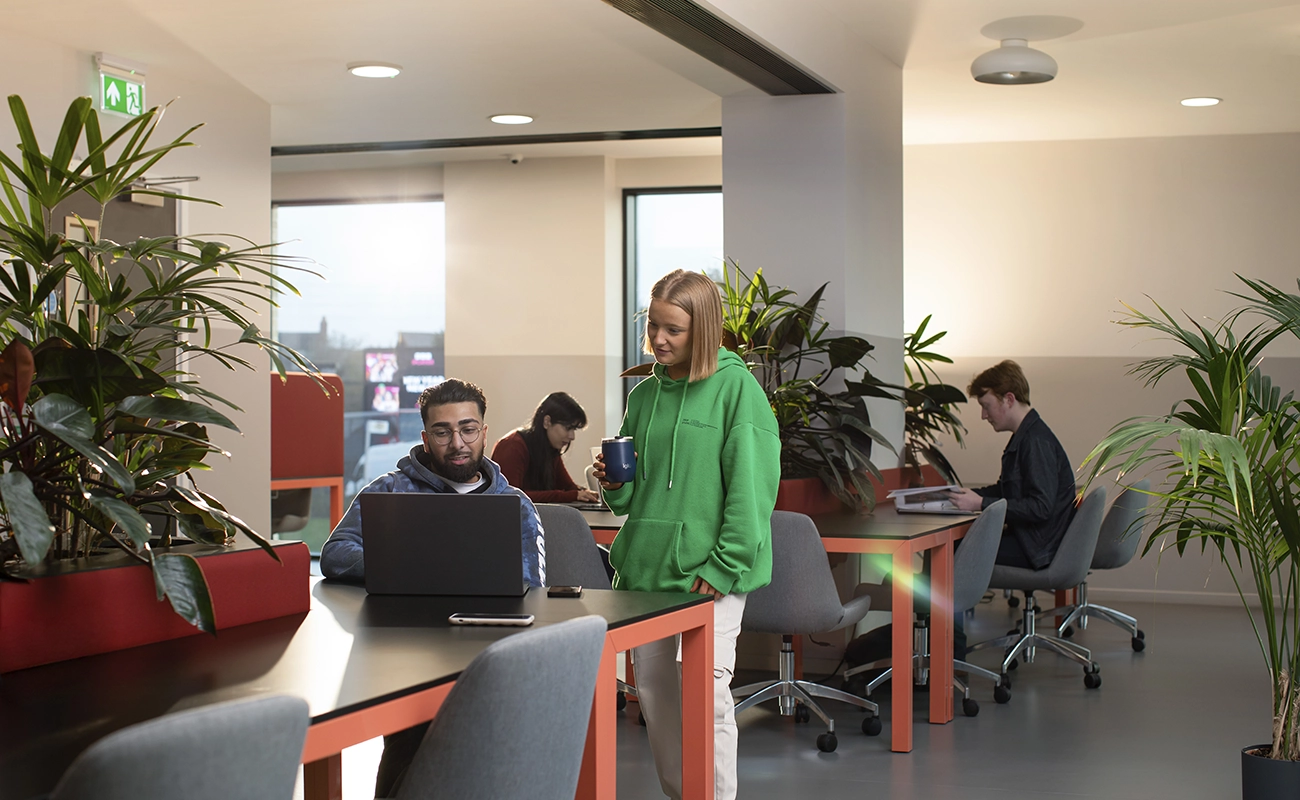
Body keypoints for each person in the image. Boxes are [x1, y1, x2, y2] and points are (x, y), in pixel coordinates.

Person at [593, 269, 780, 800]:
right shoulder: (645, 395)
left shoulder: (736, 389)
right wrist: (614, 483)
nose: (658, 339)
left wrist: (724, 567)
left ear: (704, 329)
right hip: (647, 571)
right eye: (653, 326)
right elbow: (631, 498)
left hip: (711, 575)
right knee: (656, 697)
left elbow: (752, 490)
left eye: (672, 329)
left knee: (708, 699)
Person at [320, 377, 546, 798]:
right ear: (426, 438)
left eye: (467, 428)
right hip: (407, 652)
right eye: (443, 432)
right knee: (409, 752)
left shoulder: (514, 505)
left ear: (483, 431)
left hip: (487, 651)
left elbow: (531, 584)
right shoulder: (390, 490)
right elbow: (336, 553)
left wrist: (432, 570)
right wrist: (412, 568)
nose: (457, 442)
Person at [947, 360, 1076, 570]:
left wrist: (980, 503)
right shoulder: (1026, 436)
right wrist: (970, 496)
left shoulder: (1035, 442)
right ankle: (934, 603)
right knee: (956, 545)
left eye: (986, 406)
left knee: (954, 548)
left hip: (1036, 550)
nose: (983, 415)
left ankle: (928, 603)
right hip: (1035, 543)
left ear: (1008, 399)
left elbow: (1040, 507)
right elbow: (1006, 490)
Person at [491, 391, 602, 504]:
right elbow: (512, 498)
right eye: (568, 428)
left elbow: (568, 487)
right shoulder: (512, 446)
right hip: (515, 520)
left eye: (574, 430)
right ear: (547, 421)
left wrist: (584, 493)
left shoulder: (549, 447)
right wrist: (572, 495)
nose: (572, 436)